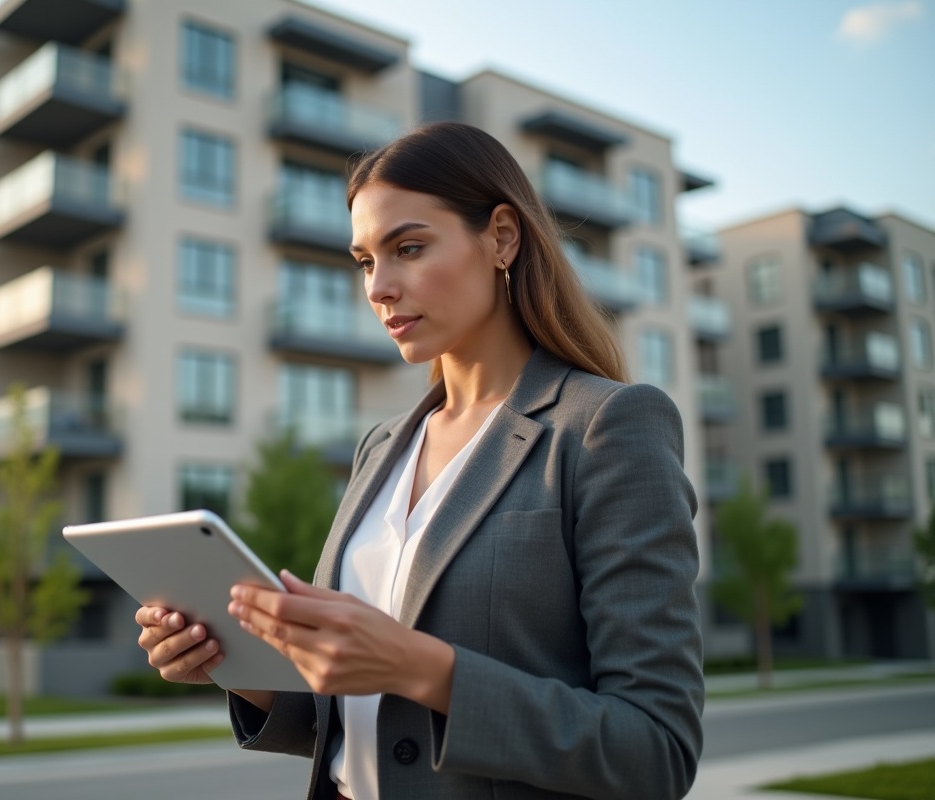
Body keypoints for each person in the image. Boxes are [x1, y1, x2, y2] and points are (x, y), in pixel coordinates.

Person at [135, 122, 703, 800]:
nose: (379, 287)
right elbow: (359, 725)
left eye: (407, 248)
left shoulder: (606, 425)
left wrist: (424, 669)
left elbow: (656, 751)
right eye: (365, 261)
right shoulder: (382, 447)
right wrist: (239, 666)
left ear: (502, 237)